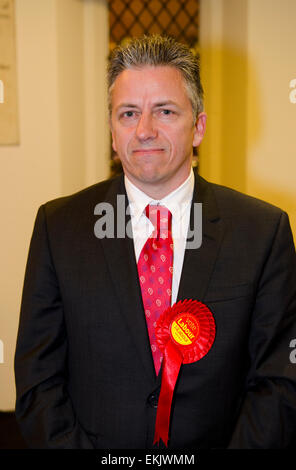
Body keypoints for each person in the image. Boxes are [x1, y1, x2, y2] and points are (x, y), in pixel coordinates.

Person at [14, 34, 296, 449]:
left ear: (198, 126)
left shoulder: (262, 232)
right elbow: (38, 381)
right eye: (128, 114)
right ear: (113, 131)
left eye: (164, 111)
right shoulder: (59, 229)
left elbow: (280, 381)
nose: (144, 130)